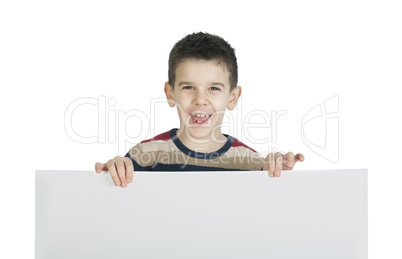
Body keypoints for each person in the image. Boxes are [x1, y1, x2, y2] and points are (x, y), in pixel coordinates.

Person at [95, 32, 304, 187]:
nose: (200, 99)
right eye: (188, 87)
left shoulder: (251, 161)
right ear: (170, 94)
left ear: (233, 98)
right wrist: (114, 169)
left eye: (213, 88)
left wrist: (279, 172)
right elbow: (119, 201)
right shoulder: (144, 155)